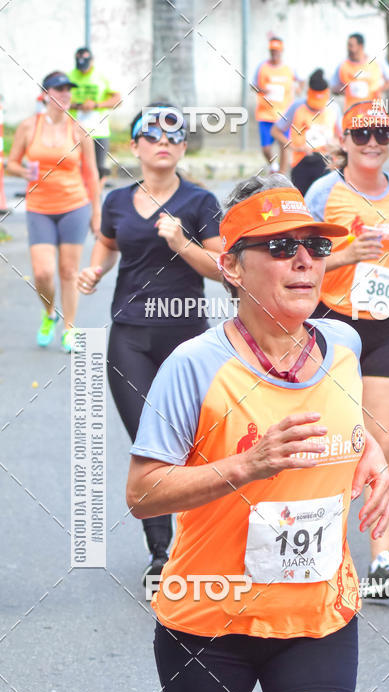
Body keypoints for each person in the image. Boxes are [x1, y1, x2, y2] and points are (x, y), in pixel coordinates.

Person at [125, 175, 389, 692]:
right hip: (209, 616)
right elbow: (142, 490)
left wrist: (371, 451)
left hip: (316, 613)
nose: (304, 259)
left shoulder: (341, 343)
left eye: (313, 245)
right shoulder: (196, 366)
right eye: (280, 247)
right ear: (233, 268)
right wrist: (248, 463)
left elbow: (348, 417)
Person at [76, 105, 222, 584]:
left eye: (174, 136)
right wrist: (95, 270)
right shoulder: (117, 201)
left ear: (182, 148)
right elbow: (108, 241)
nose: (164, 142)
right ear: (135, 146)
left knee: (194, 446)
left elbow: (226, 271)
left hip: (188, 341)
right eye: (152, 135)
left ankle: (201, 542)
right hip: (130, 337)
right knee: (150, 445)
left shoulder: (200, 203)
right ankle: (162, 556)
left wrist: (182, 243)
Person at [305, 100, 389, 597]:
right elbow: (298, 259)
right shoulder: (324, 191)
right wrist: (344, 256)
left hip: (388, 326)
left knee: (387, 442)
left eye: (382, 132)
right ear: (345, 139)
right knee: (333, 441)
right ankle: (324, 549)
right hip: (333, 325)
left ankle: (382, 560)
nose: (373, 142)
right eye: (362, 135)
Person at [7, 71, 100, 352]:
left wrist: (96, 215)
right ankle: (49, 313)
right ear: (45, 95)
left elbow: (92, 174)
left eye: (67, 90)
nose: (64, 94)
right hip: (39, 208)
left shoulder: (78, 129)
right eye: (58, 90)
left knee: (69, 270)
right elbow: (11, 163)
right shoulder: (28, 127)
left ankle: (69, 327)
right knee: (43, 273)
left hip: (74, 206)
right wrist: (24, 170)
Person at [271, 68, 342, 195]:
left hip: (325, 162)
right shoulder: (297, 107)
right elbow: (276, 131)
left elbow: (343, 137)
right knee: (301, 202)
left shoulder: (333, 109)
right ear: (309, 94)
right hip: (300, 163)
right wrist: (294, 147)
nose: (317, 109)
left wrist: (334, 146)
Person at [69, 47, 121, 190]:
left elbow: (117, 99)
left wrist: (96, 105)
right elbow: (59, 100)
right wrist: (77, 105)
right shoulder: (69, 77)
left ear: (91, 61)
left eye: (85, 64)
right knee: (76, 167)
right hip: (75, 130)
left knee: (98, 169)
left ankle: (95, 199)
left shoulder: (101, 77)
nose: (83, 69)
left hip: (99, 131)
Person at [252, 36, 303, 173]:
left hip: (283, 114)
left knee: (284, 145)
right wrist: (263, 90)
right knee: (266, 148)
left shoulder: (288, 69)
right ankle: (273, 165)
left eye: (277, 51)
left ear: (281, 51)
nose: (274, 54)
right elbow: (253, 85)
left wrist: (298, 89)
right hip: (265, 114)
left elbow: (301, 80)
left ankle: (282, 173)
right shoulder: (262, 67)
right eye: (272, 51)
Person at [332, 33, 389, 110]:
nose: (348, 48)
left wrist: (379, 90)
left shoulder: (376, 62)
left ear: (360, 46)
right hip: (352, 111)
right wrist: (346, 90)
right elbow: (333, 87)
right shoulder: (343, 65)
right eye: (348, 45)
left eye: (351, 45)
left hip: (374, 110)